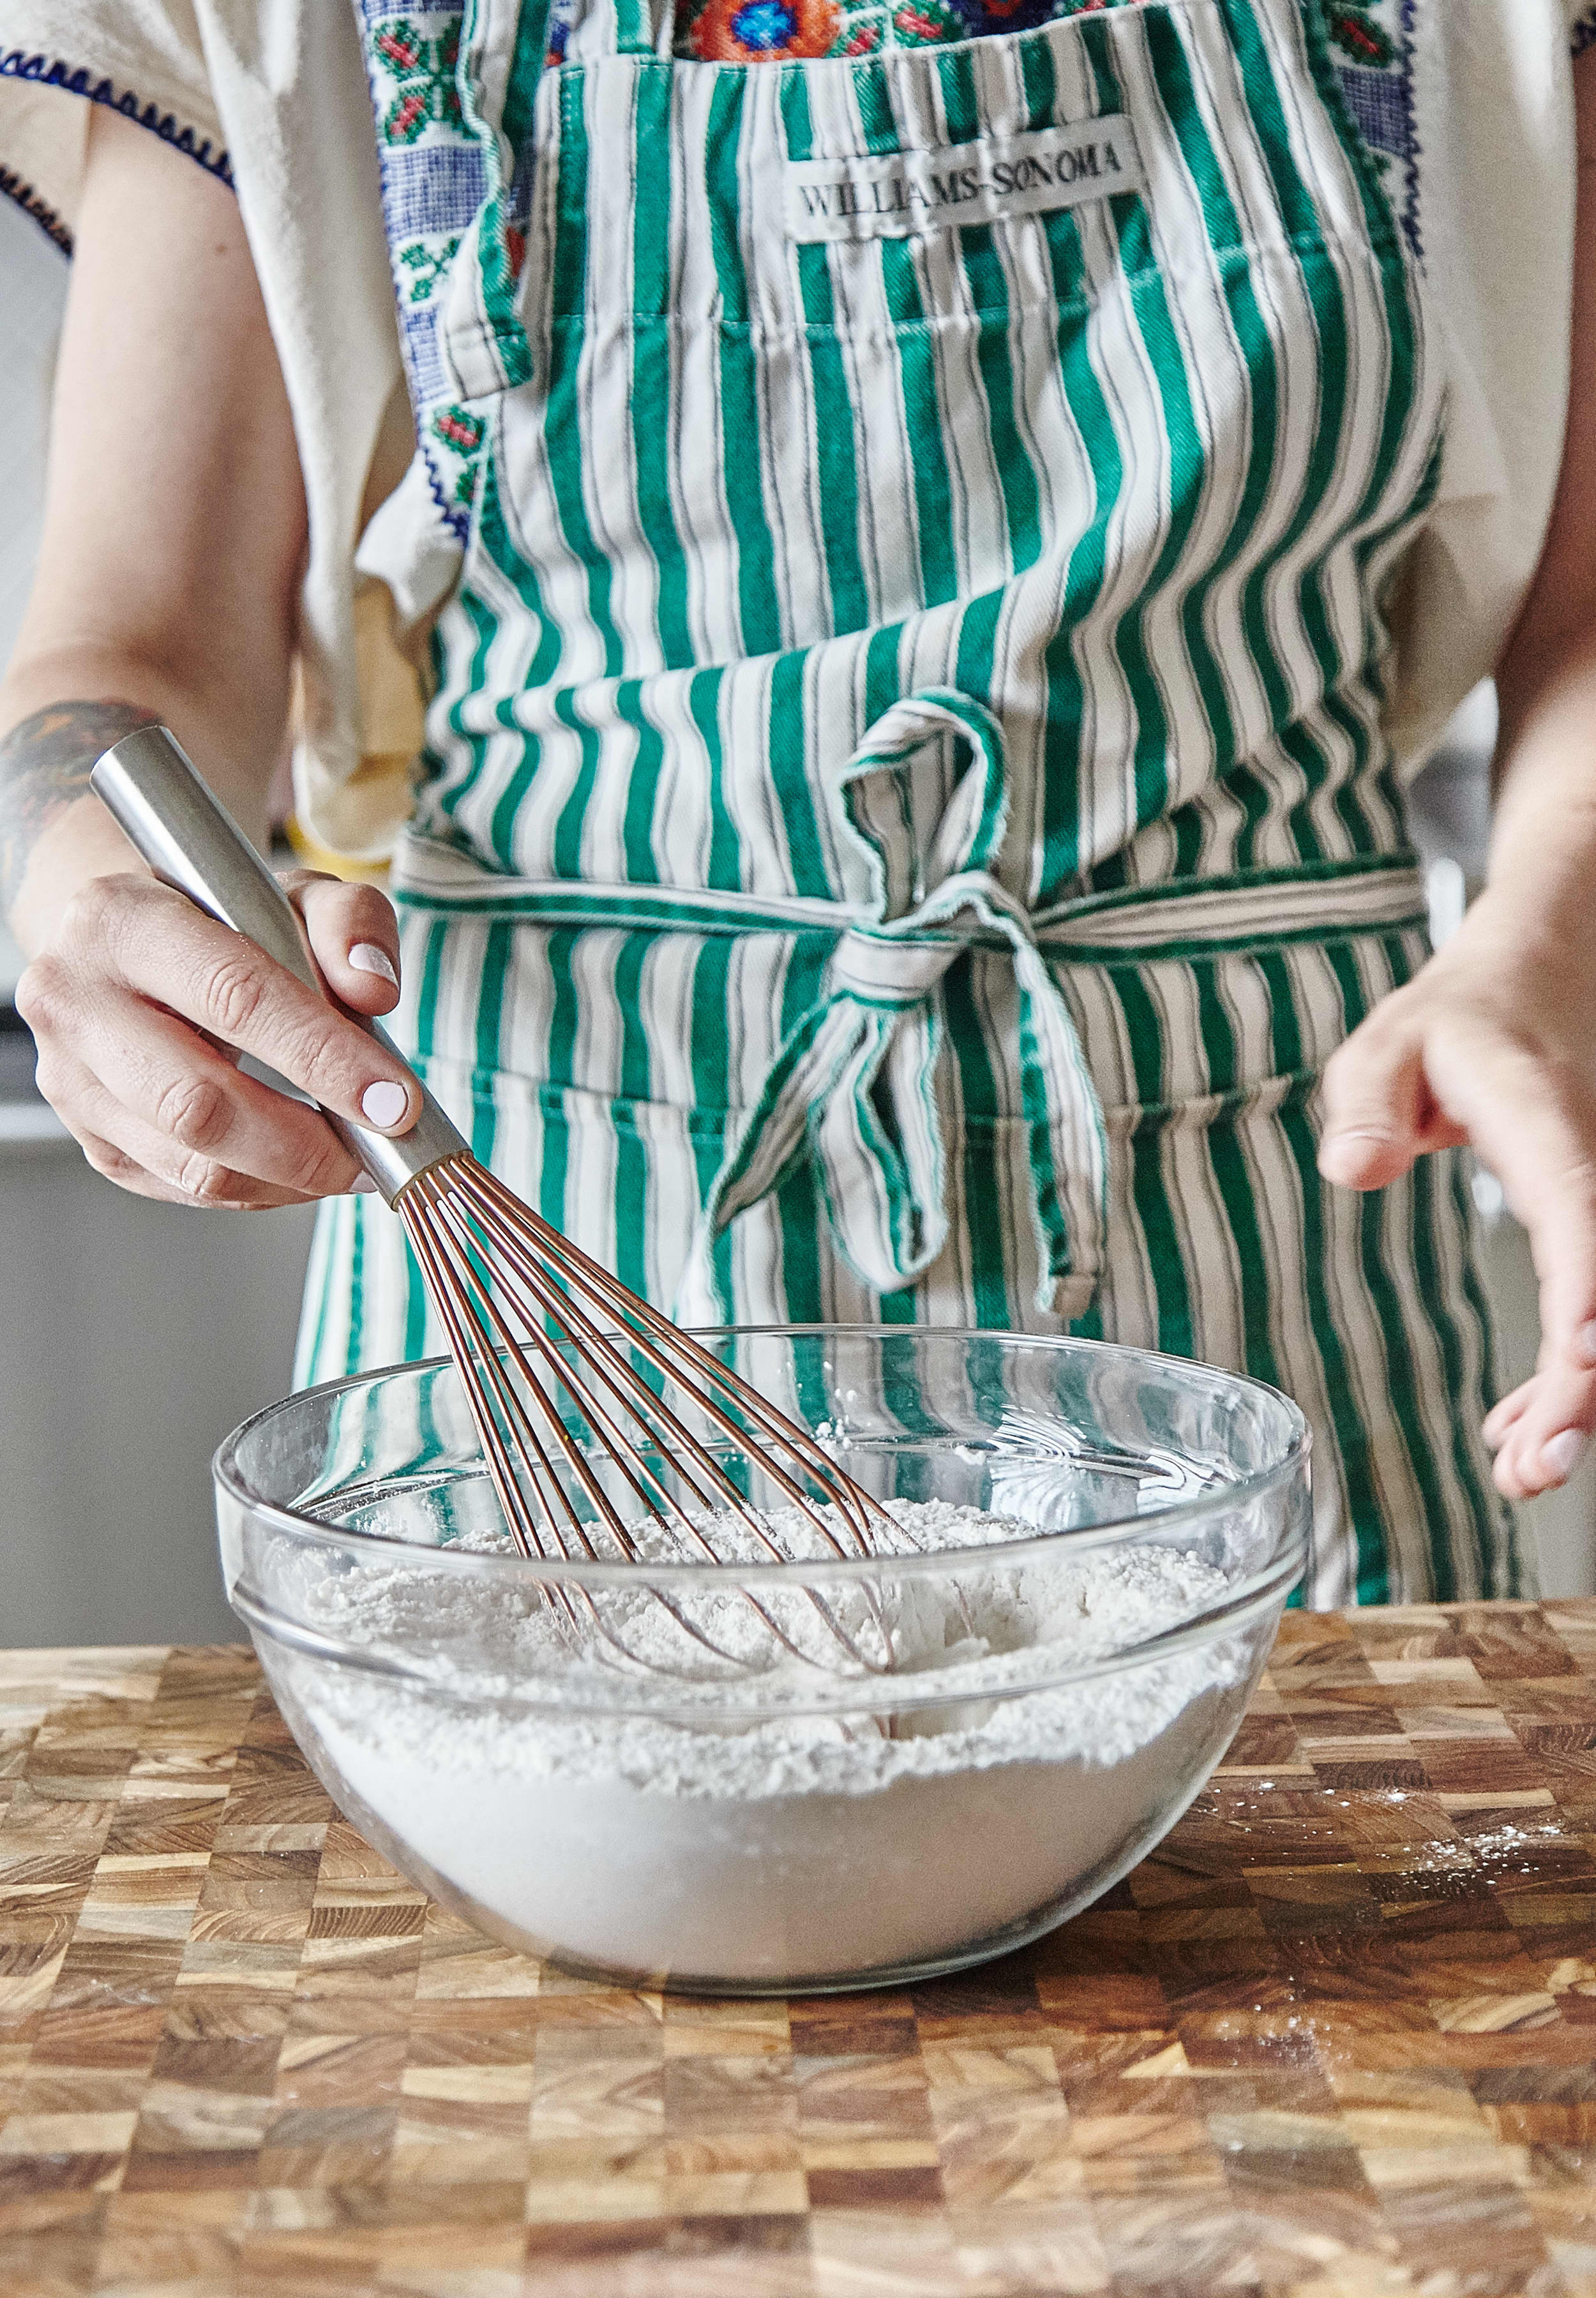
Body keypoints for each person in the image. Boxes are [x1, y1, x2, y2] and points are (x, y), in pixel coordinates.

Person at [2, 0, 1595, 1607]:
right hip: (549, 1224)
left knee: (1326, 1847)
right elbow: (135, 639)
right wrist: (80, 879)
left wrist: (1539, 943)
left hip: (1271, 1201)